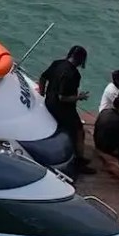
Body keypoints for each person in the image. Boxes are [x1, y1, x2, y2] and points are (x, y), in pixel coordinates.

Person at [37, 45, 94, 174]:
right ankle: (79, 161)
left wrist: (42, 92)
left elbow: (43, 77)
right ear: (81, 60)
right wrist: (80, 97)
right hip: (61, 108)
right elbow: (63, 98)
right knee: (79, 131)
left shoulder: (57, 63)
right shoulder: (73, 74)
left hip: (49, 101)